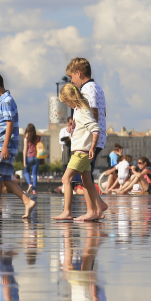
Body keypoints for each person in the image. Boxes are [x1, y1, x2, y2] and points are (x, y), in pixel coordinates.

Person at [0, 69, 36, 220]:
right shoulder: (3, 101)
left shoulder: (6, 101)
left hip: (1, 147)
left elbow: (9, 125)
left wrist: (4, 146)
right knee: (5, 179)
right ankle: (27, 201)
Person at [53, 83, 102, 222]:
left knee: (66, 179)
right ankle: (96, 211)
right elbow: (83, 127)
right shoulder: (79, 110)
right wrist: (71, 130)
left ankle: (67, 211)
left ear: (71, 98)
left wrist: (92, 147)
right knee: (87, 181)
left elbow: (95, 129)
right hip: (82, 150)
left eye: (66, 101)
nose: (66, 104)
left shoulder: (82, 111)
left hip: (81, 152)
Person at [67, 58, 109, 215]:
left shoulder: (87, 90)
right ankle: (98, 205)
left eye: (72, 77)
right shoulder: (97, 88)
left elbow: (94, 113)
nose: (72, 81)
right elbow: (102, 112)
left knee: (84, 177)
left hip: (89, 141)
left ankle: (94, 209)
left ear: (79, 73)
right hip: (97, 138)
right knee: (86, 175)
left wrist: (91, 138)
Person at [22, 123, 40, 194]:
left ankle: (30, 184)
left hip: (29, 157)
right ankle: (34, 190)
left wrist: (24, 161)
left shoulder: (26, 139)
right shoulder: (38, 137)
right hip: (37, 157)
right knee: (34, 174)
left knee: (26, 172)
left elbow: (25, 149)